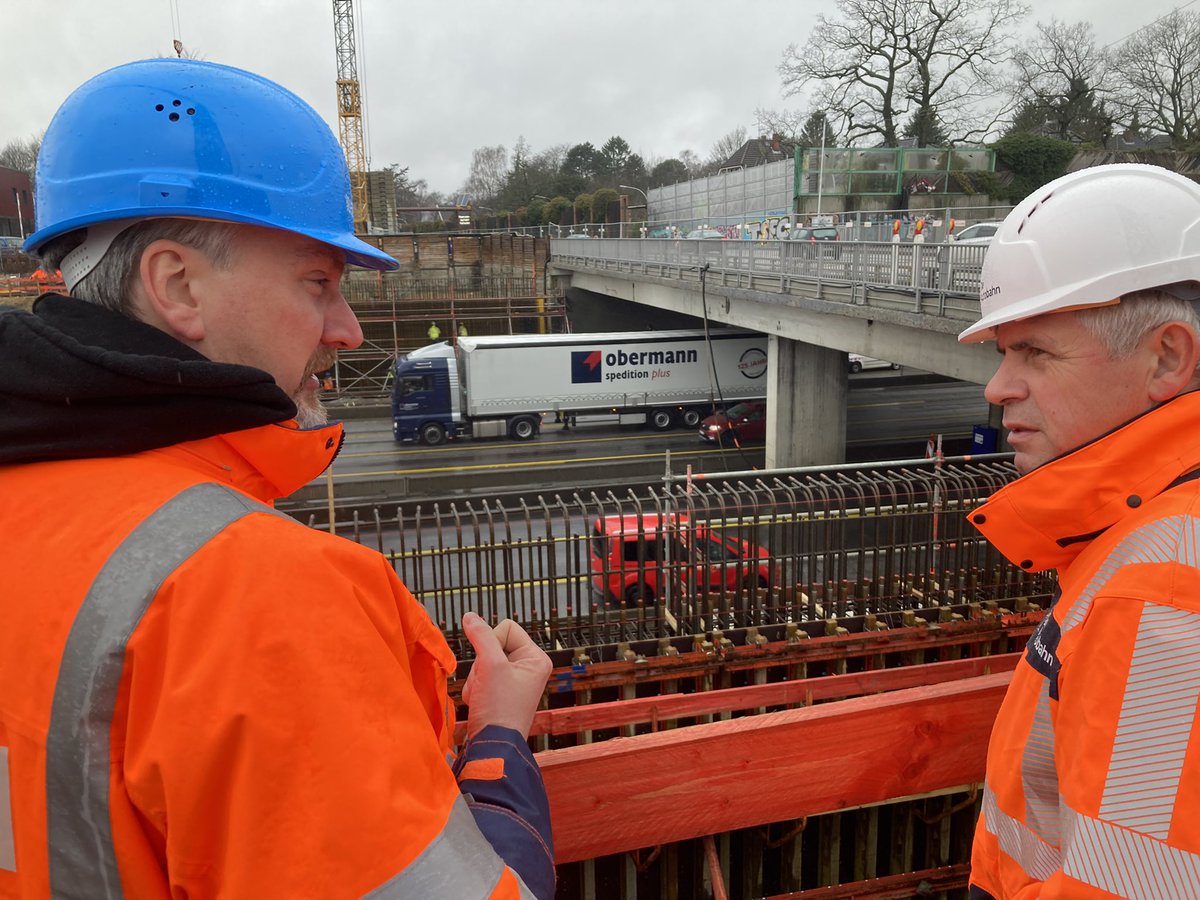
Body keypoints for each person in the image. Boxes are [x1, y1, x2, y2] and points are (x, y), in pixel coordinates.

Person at [0, 58, 554, 899]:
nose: (349, 331)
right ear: (177, 285)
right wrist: (501, 742)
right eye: (319, 283)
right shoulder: (244, 594)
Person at [959, 163, 1200, 898]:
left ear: (1168, 356)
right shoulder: (1153, 535)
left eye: (1035, 351)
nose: (999, 388)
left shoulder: (1162, 591)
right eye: (1005, 352)